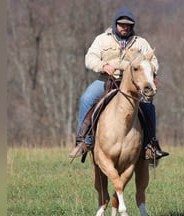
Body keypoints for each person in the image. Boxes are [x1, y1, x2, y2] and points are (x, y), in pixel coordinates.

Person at [70, 6, 169, 160]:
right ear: (115, 24)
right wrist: (103, 66)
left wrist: (147, 71)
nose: (125, 27)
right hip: (106, 80)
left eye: (128, 25)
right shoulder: (102, 39)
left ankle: (150, 146)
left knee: (148, 106)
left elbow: (153, 61)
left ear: (132, 26)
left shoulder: (141, 43)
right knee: (86, 99)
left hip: (133, 84)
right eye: (122, 24)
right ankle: (84, 141)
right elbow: (90, 58)